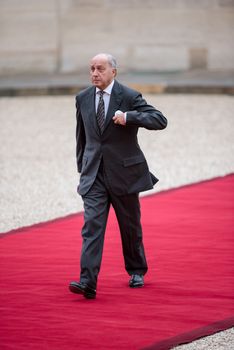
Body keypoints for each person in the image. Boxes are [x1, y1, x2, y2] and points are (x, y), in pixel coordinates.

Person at [69, 53, 167, 299]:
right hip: (94, 177)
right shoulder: (82, 98)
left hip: (124, 174)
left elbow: (159, 120)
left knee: (130, 226)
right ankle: (87, 281)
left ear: (113, 71)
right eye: (91, 68)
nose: (94, 73)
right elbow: (82, 138)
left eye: (100, 68)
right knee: (92, 227)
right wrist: (83, 169)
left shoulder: (129, 96)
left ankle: (136, 270)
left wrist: (129, 117)